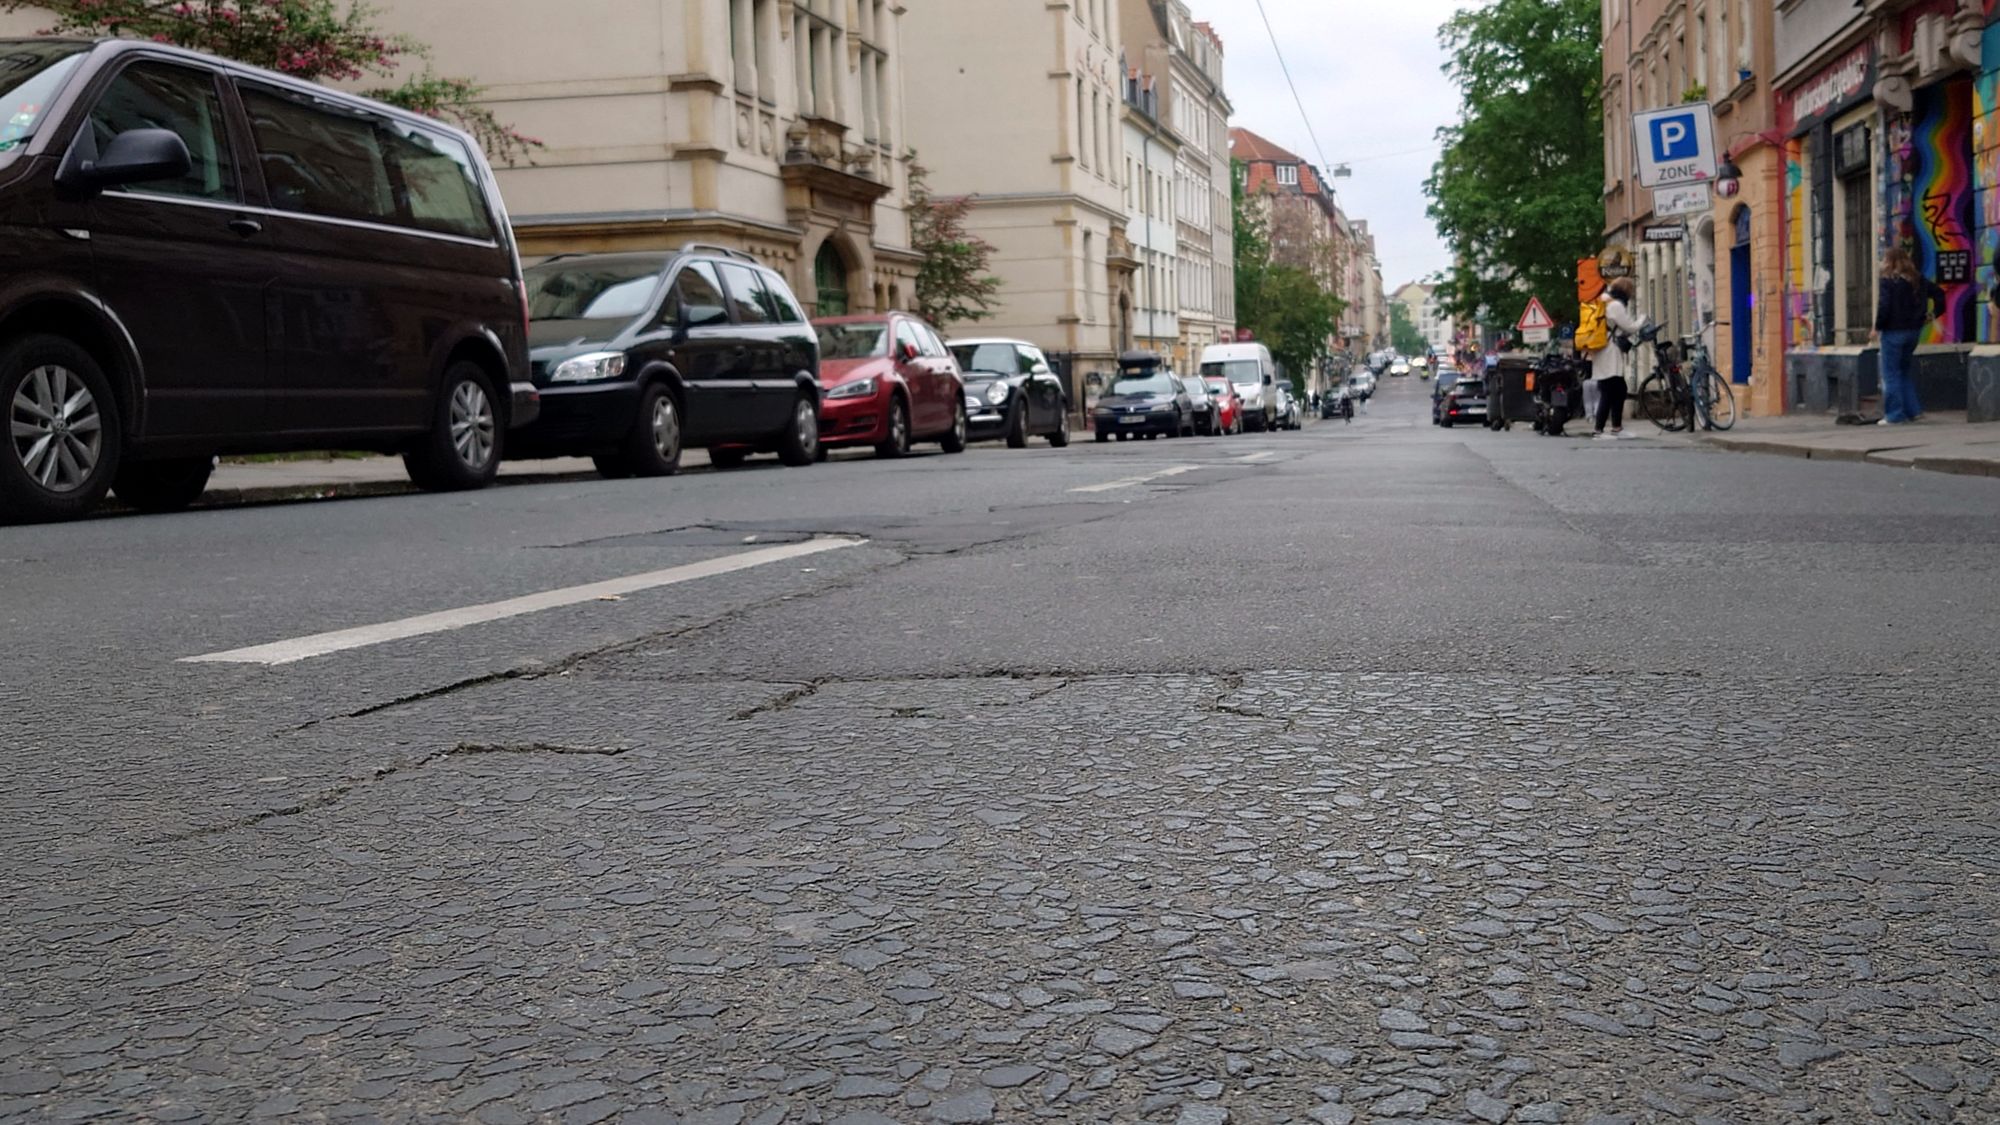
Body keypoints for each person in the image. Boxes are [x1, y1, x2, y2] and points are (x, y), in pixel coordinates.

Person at [1872, 247, 1944, 425]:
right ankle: (1914, 411)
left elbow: (1884, 306)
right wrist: (1932, 314)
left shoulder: (1889, 281)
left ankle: (1894, 415)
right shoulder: (1917, 279)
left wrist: (1877, 327)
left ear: (1889, 261)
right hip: (1913, 331)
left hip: (1893, 332)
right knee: (1903, 371)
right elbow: (1940, 295)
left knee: (1891, 374)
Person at [1591, 277, 1644, 438]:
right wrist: (1643, 319)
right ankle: (1599, 430)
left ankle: (1615, 427)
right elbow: (1629, 326)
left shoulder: (1603, 300)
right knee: (1611, 390)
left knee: (1616, 390)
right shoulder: (1615, 305)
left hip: (1602, 349)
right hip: (1610, 351)